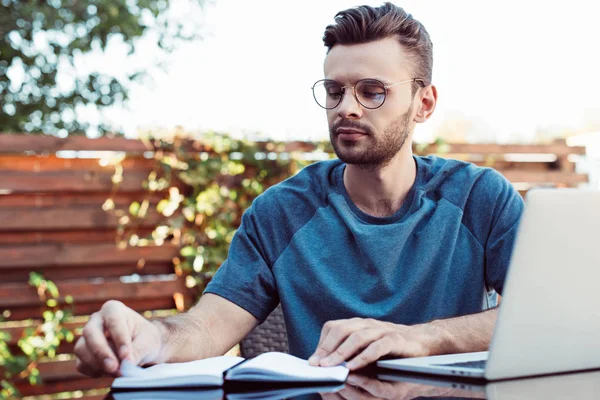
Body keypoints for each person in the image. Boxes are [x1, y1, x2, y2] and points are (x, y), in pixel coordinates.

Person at [74, 2, 524, 377]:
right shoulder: (281, 212)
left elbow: (542, 317)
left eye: (372, 91)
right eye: (335, 90)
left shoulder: (479, 198)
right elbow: (209, 327)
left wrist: (421, 337)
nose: (346, 108)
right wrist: (147, 337)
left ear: (423, 103)